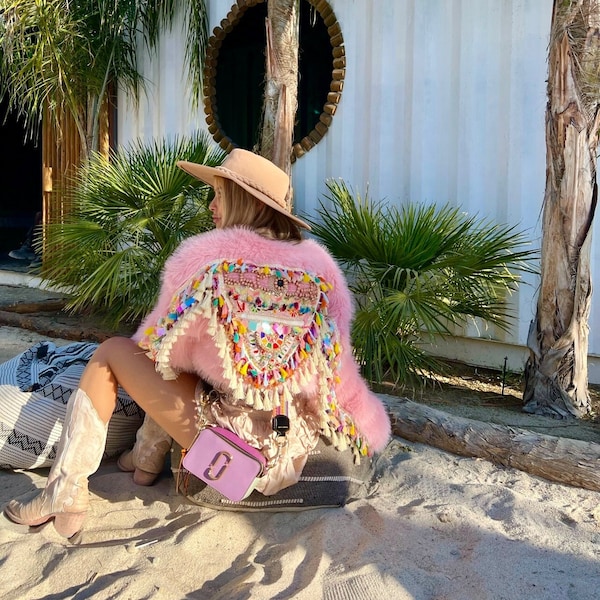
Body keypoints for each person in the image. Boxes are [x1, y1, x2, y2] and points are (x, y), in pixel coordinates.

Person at [3, 149, 391, 538]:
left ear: (245, 201)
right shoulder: (321, 267)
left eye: (220, 194)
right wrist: (367, 427)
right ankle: (143, 461)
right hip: (290, 443)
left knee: (115, 354)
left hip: (229, 444)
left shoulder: (208, 260)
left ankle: (66, 491)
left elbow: (159, 352)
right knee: (189, 373)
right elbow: (338, 372)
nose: (211, 205)